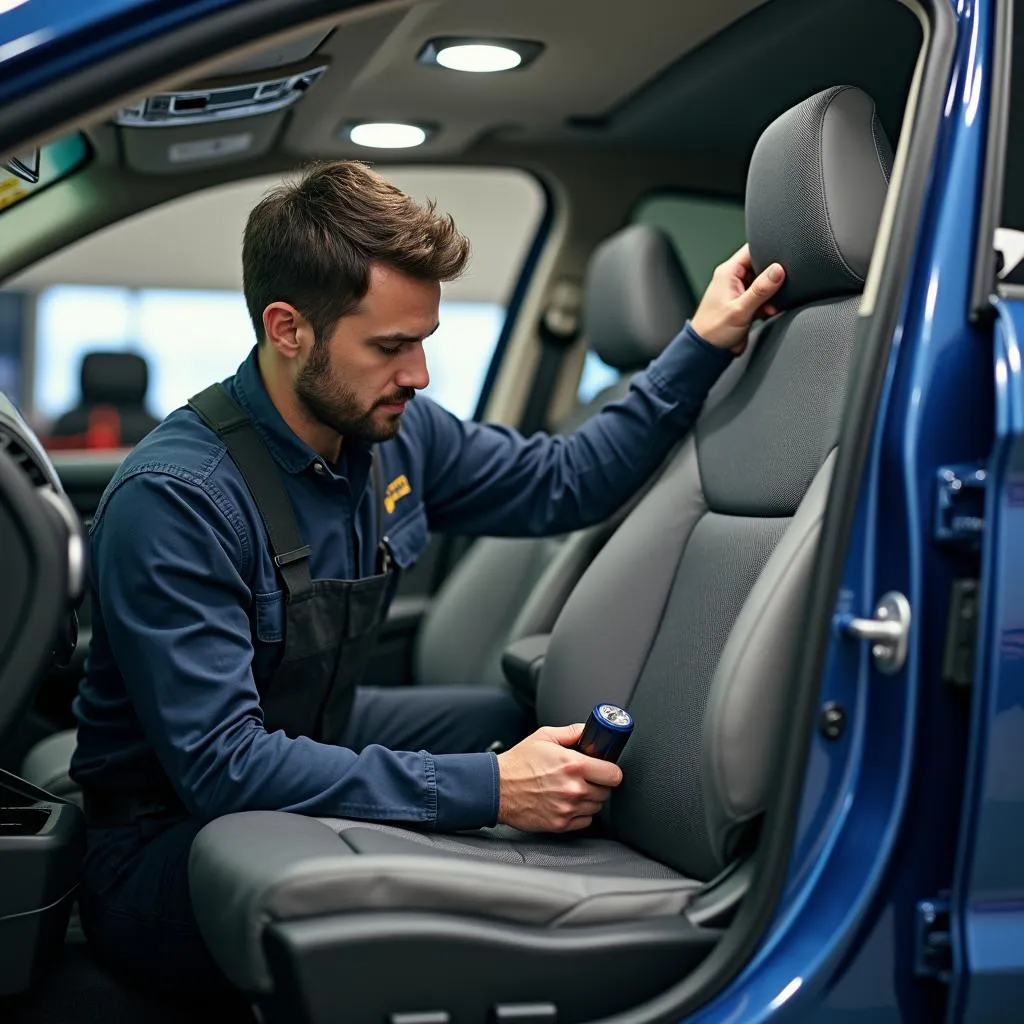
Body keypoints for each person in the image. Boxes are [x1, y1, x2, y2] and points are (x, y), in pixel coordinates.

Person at [68, 160, 784, 999]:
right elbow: (226, 766)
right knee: (490, 760)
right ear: (288, 328)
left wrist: (699, 346)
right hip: (164, 842)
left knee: (503, 713)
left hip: (305, 732)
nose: (419, 375)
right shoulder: (181, 499)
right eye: (389, 346)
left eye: (424, 342)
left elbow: (568, 481)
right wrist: (490, 790)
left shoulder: (395, 436)